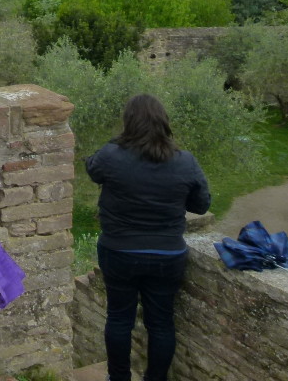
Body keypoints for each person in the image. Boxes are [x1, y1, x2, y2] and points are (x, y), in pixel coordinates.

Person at [85, 94, 211, 381]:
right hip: (167, 254)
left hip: (119, 251)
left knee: (119, 318)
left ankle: (118, 378)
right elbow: (201, 204)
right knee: (161, 323)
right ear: (163, 123)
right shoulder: (185, 162)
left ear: (128, 122)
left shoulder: (111, 156)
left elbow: (92, 168)